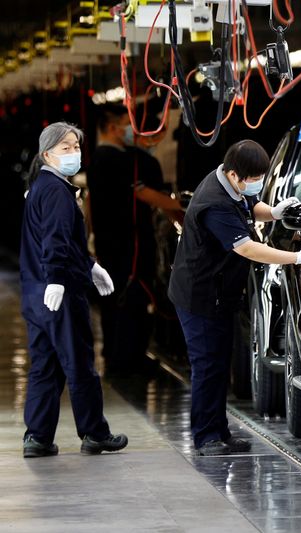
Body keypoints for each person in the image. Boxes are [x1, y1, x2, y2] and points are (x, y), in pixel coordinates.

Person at [168, 140, 301, 456]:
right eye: (251, 179)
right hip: (200, 297)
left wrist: (274, 213)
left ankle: (219, 431)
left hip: (218, 295)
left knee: (218, 364)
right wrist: (295, 258)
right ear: (233, 174)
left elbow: (249, 204)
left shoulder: (225, 183)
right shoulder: (214, 204)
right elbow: (247, 248)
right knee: (207, 367)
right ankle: (206, 437)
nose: (255, 184)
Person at [19, 122, 128, 458]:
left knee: (45, 365)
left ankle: (37, 437)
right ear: (47, 154)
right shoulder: (55, 190)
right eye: (65, 147)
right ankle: (95, 433)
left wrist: (91, 266)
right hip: (60, 292)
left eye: (77, 146)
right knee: (79, 362)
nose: (74, 153)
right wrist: (56, 278)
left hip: (37, 294)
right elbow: (54, 241)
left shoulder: (44, 186)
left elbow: (65, 242)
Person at [87, 105, 183, 374]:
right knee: (131, 300)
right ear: (112, 127)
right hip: (128, 245)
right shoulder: (115, 161)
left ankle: (117, 355)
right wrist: (184, 209)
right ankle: (127, 360)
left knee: (114, 299)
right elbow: (144, 194)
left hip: (110, 243)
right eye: (123, 123)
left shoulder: (98, 159)